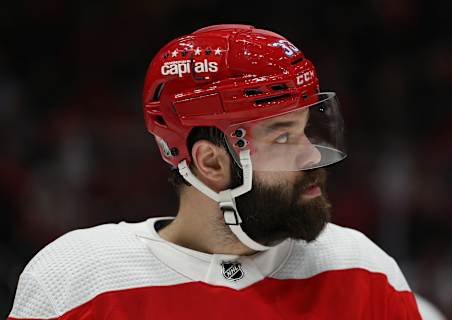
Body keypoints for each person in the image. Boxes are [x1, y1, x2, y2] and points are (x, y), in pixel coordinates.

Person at [8, 24, 421, 319]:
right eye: (282, 137)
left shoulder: (361, 268)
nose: (311, 155)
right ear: (210, 162)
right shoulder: (77, 281)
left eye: (305, 131)